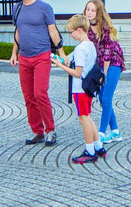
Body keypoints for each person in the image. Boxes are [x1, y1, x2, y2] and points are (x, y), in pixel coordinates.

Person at [9, 0, 66, 146]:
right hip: (24, 57)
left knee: (40, 93)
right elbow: (18, 32)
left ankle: (51, 130)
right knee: (28, 97)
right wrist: (14, 53)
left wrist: (62, 53)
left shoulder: (44, 7)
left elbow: (53, 31)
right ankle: (37, 131)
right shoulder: (16, 8)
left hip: (42, 55)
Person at [53, 14, 106, 164]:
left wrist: (60, 66)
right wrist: (63, 60)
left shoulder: (81, 49)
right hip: (88, 88)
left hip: (80, 89)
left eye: (71, 31)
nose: (70, 35)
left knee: (83, 118)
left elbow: (77, 73)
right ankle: (98, 146)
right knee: (87, 116)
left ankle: (89, 151)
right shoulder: (90, 45)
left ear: (79, 30)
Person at [84, 0, 126, 144]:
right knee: (102, 99)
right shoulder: (86, 29)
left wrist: (104, 74)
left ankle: (101, 132)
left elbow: (108, 53)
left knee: (106, 98)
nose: (89, 12)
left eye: (92, 10)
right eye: (87, 9)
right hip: (99, 65)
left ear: (99, 12)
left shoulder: (105, 28)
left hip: (113, 63)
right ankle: (115, 131)